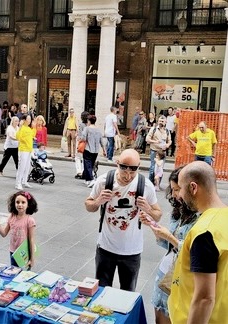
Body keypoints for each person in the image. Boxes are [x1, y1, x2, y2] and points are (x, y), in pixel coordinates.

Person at [84, 149, 162, 291]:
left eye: (133, 171)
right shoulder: (104, 181)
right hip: (105, 248)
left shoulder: (145, 185)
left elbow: (158, 214)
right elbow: (88, 206)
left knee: (127, 293)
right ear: (117, 164)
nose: (128, 175)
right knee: (101, 291)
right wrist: (98, 201)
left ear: (138, 167)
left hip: (131, 251)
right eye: (124, 170)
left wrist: (148, 210)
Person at [168, 161, 228, 323]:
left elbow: (204, 298)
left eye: (180, 188)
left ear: (193, 188)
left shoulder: (204, 232)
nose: (179, 196)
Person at [139, 167, 198, 324]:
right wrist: (155, 228)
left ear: (192, 188)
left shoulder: (202, 217)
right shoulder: (179, 209)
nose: (174, 195)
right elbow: (169, 245)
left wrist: (170, 237)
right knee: (159, 316)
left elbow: (194, 253)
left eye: (177, 190)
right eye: (172, 190)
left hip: (181, 277)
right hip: (165, 272)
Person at [0, 191, 38, 269]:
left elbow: (31, 239)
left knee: (23, 275)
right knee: (14, 272)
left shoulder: (30, 220)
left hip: (24, 253)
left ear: (28, 204)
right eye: (17, 202)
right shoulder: (11, 217)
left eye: (23, 202)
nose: (20, 205)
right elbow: (4, 234)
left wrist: (32, 258)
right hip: (13, 252)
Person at [81, 115, 105, 188]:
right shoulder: (98, 130)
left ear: (89, 121)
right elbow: (101, 140)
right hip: (96, 150)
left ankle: (91, 179)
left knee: (87, 163)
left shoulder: (87, 129)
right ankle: (87, 178)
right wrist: (104, 150)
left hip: (88, 148)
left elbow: (83, 138)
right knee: (91, 164)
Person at [146, 115, 171, 183]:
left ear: (165, 122)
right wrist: (155, 141)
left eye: (162, 121)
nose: (161, 122)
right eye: (160, 121)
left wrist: (167, 145)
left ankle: (157, 184)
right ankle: (150, 183)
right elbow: (147, 139)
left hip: (162, 152)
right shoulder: (153, 129)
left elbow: (169, 141)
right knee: (153, 168)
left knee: (160, 169)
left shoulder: (167, 131)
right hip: (154, 151)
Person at [15, 114, 36, 190]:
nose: (29, 120)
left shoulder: (29, 128)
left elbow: (33, 135)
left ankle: (24, 181)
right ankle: (18, 183)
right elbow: (18, 137)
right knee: (22, 167)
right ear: (24, 120)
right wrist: (20, 127)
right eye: (28, 119)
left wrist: (34, 127)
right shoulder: (22, 128)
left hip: (29, 149)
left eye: (30, 119)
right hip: (23, 150)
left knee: (27, 166)